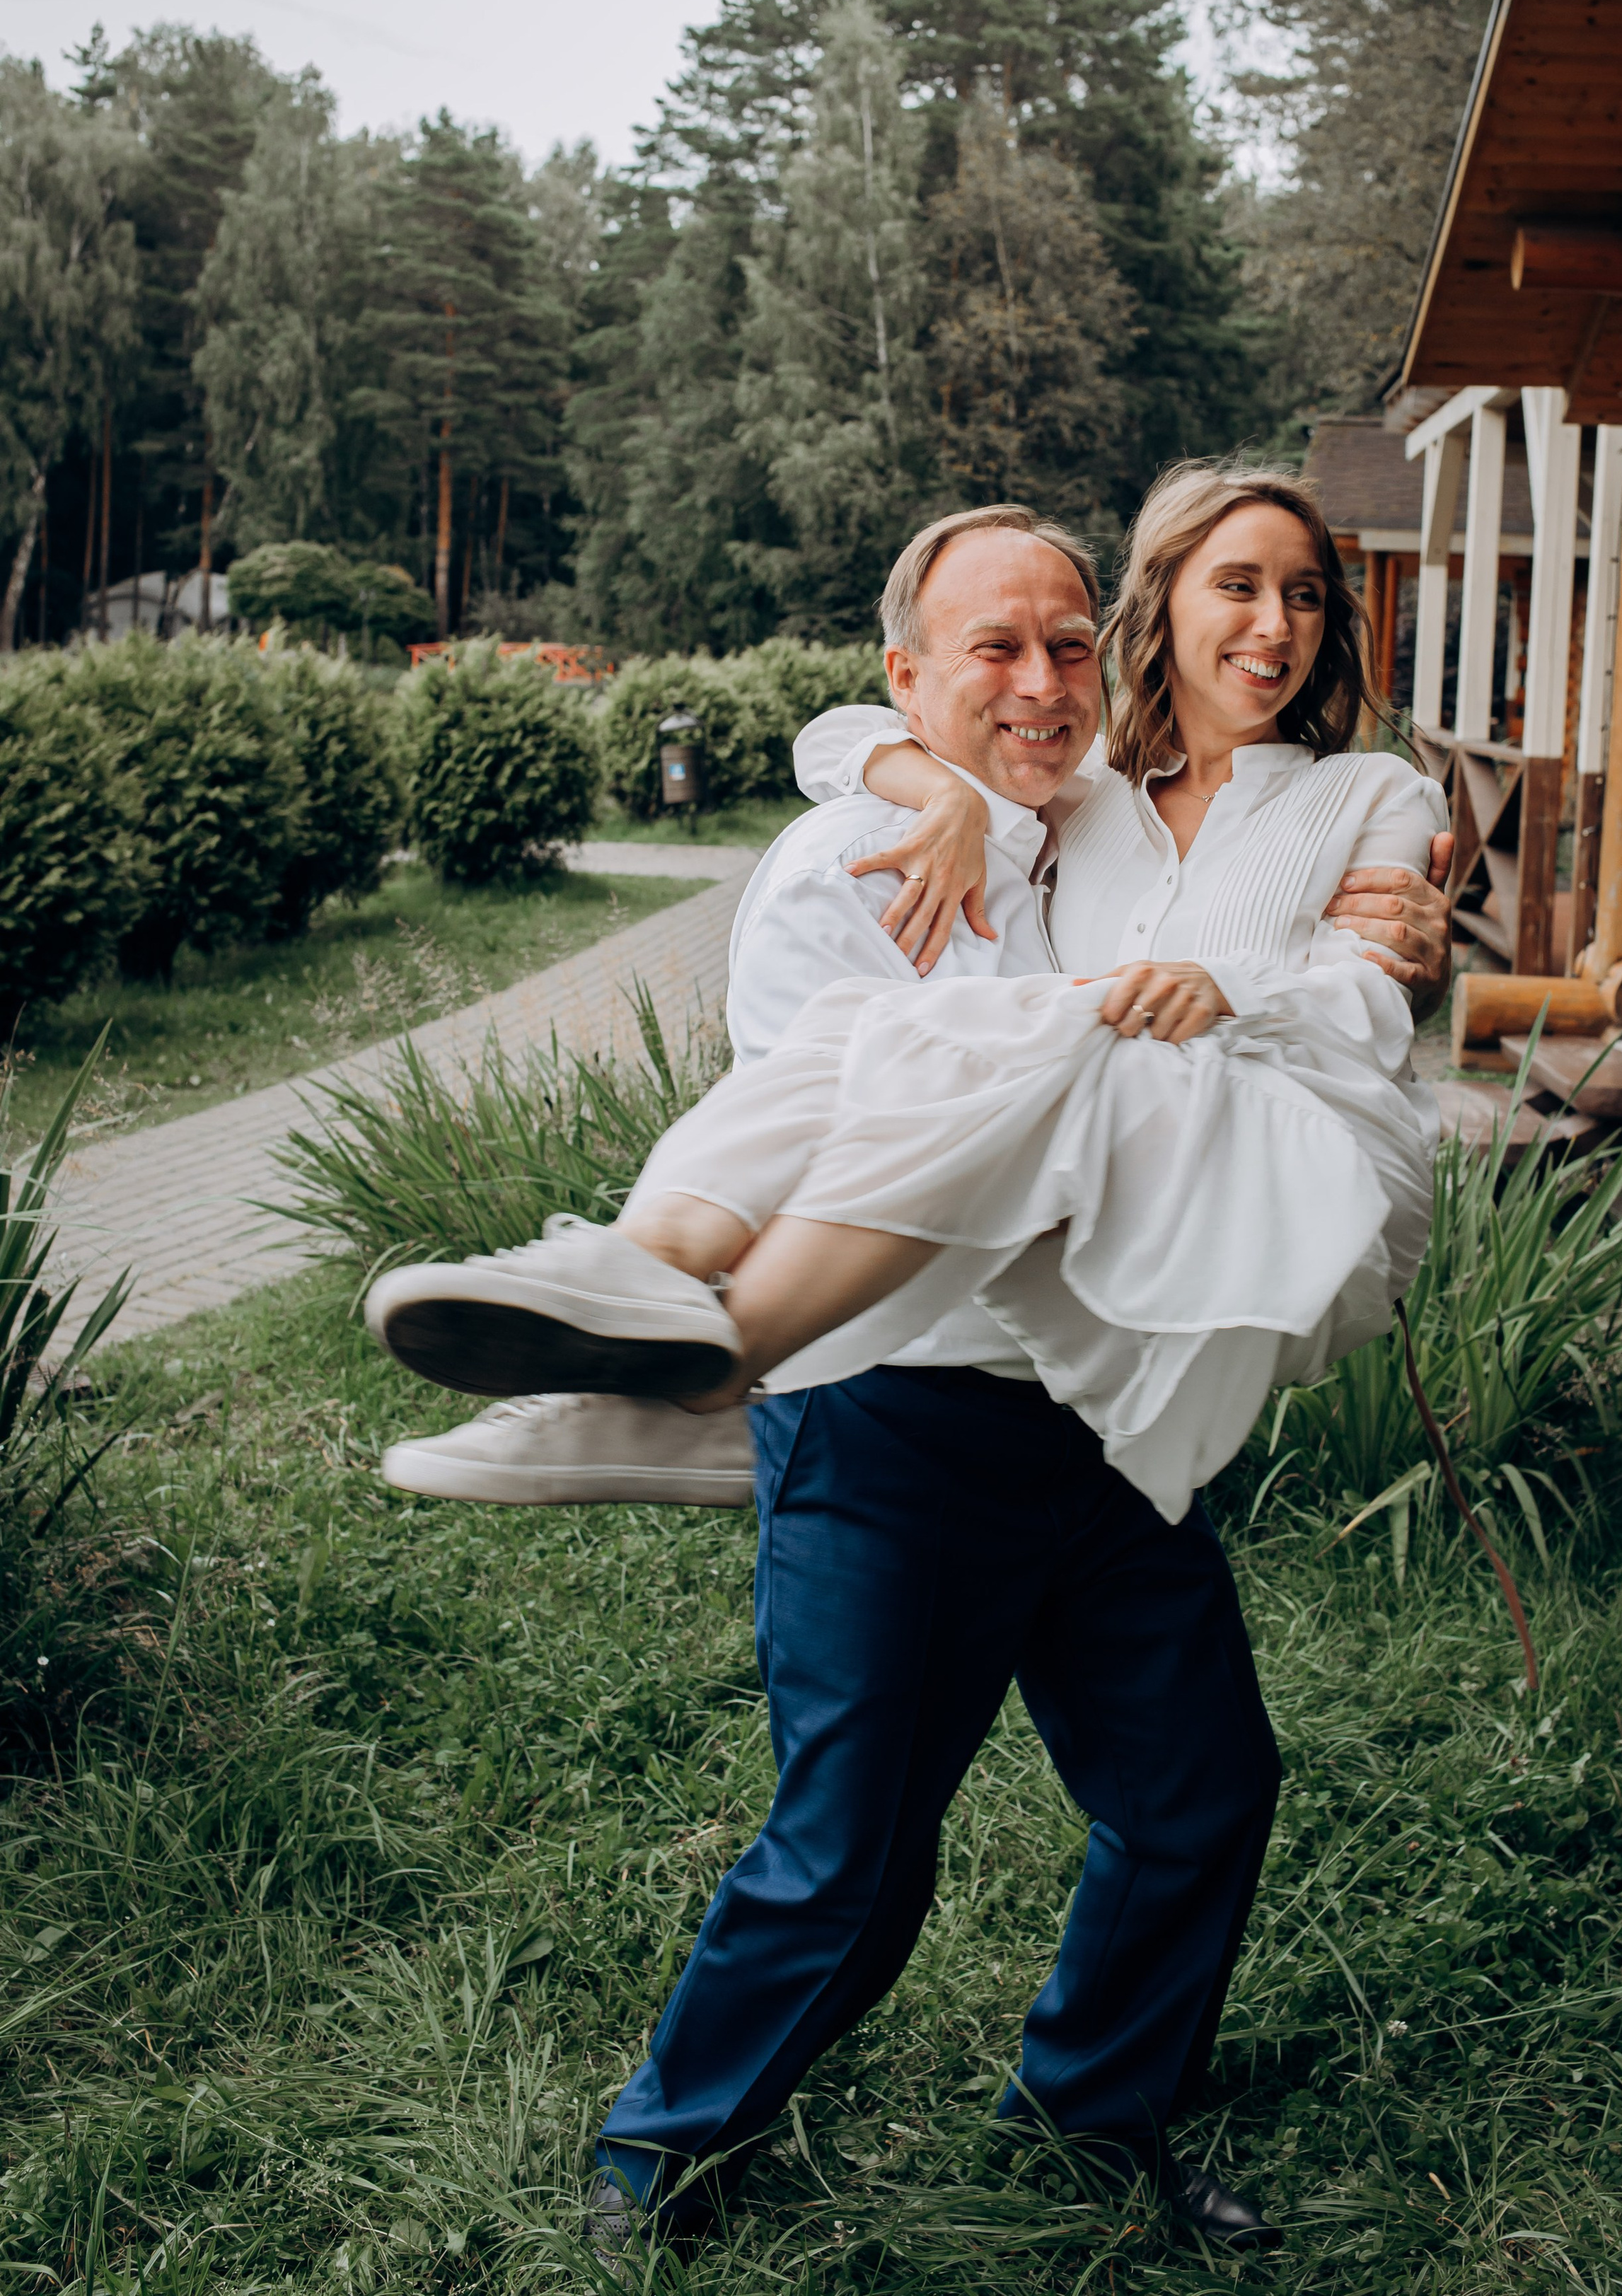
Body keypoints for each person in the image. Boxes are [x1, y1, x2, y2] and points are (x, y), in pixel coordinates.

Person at [371, 483, 1453, 2266]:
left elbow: (1351, 972)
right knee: (856, 1852)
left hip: (1102, 1399)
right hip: (896, 1403)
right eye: (1233, 588)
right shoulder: (951, 828)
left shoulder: (1167, 801)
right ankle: (657, 2153)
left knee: (1196, 1795)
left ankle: (1093, 2104)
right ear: (1166, 606)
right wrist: (913, 779)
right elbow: (849, 751)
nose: (1272, 627)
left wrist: (1324, 955)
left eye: (1307, 599)